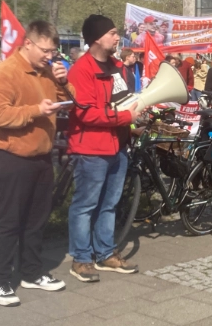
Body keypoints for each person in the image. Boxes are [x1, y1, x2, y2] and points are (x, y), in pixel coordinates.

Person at [0, 21, 73, 307]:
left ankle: (32, 273)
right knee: (10, 220)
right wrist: (36, 111)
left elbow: (71, 102)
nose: (49, 56)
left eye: (53, 51)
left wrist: (62, 81)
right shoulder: (4, 73)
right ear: (28, 44)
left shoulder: (47, 71)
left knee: (37, 218)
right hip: (9, 155)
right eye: (45, 50)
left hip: (40, 154)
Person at [67, 15, 142, 283]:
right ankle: (81, 258)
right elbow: (87, 114)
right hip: (90, 149)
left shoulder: (116, 67)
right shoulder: (80, 70)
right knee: (85, 205)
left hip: (117, 146)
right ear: (97, 38)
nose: (117, 36)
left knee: (109, 204)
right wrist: (126, 119)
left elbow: (122, 102)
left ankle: (105, 253)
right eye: (112, 32)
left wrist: (133, 123)